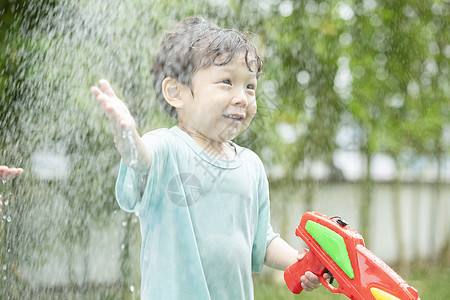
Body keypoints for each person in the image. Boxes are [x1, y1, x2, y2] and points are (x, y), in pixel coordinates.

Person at [91, 16, 325, 299]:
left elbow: (259, 238)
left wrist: (298, 261)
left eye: (250, 86)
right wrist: (128, 136)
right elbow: (141, 159)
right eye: (226, 81)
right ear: (176, 92)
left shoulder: (251, 166)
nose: (242, 98)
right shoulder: (166, 148)